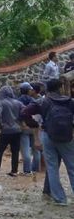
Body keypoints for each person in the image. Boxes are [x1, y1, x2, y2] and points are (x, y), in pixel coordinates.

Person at [22, 78, 74, 206]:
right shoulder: (70, 102)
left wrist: (34, 124)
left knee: (52, 168)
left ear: (47, 88)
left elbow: (24, 112)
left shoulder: (43, 101)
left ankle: (60, 199)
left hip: (48, 135)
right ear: (60, 88)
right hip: (67, 137)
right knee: (72, 167)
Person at [0, 86, 24, 177]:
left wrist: (0, 125)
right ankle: (14, 171)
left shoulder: (2, 103)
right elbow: (25, 112)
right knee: (15, 151)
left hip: (6, 130)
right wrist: (20, 122)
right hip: (17, 130)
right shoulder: (18, 103)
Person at [18, 82, 41, 175]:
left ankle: (27, 171)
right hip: (34, 128)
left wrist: (22, 124)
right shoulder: (34, 101)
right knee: (36, 149)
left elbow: (18, 115)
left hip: (24, 128)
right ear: (28, 90)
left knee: (25, 150)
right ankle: (35, 169)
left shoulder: (18, 101)